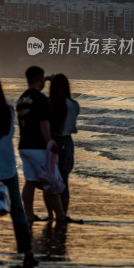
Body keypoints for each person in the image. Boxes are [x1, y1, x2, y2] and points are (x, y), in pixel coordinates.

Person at [0, 75, 36, 266]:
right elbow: (10, 134)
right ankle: (27, 250)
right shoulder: (8, 111)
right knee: (17, 209)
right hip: (7, 164)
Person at [16, 65, 65, 225]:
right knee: (51, 181)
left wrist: (46, 78)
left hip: (24, 146)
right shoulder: (40, 99)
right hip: (38, 147)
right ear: (39, 79)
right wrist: (50, 142)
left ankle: (29, 214)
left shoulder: (22, 98)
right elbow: (43, 123)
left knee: (30, 181)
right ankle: (60, 215)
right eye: (42, 79)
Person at [49, 73, 80, 218]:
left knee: (51, 180)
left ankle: (53, 214)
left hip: (52, 141)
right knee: (64, 180)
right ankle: (63, 215)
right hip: (67, 142)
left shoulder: (49, 103)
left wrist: (48, 80)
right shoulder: (74, 105)